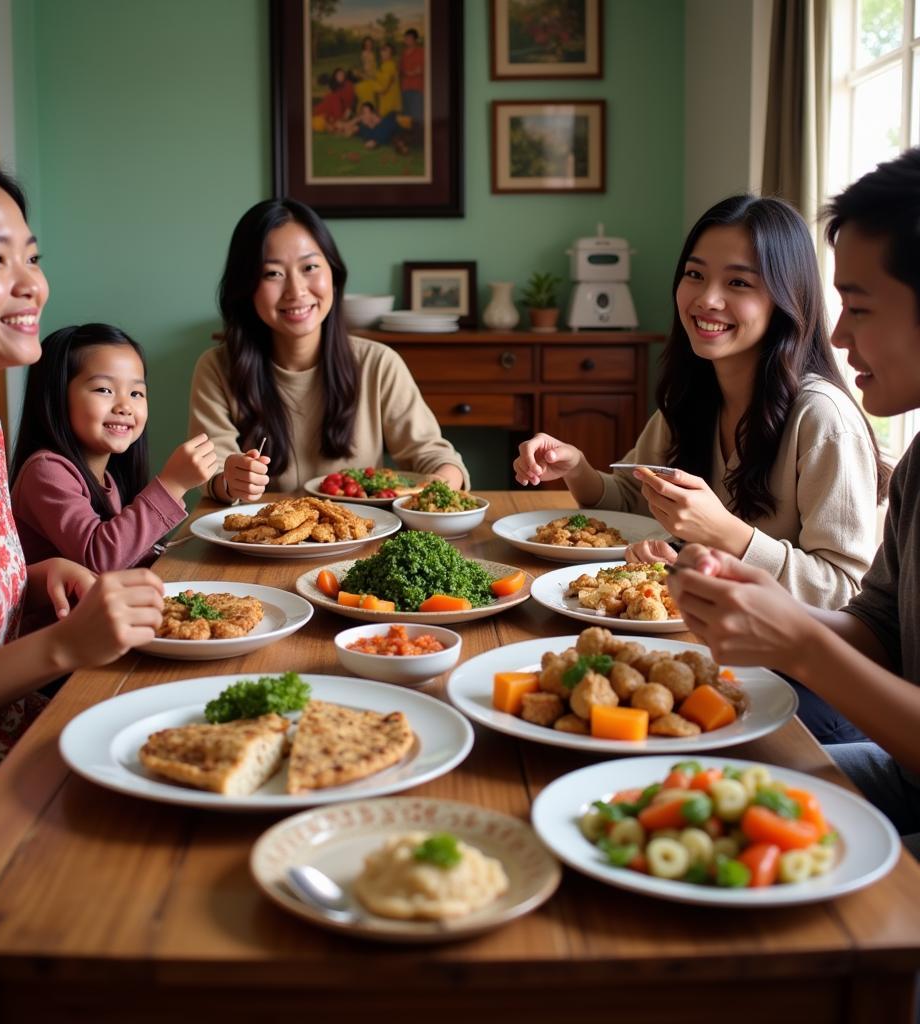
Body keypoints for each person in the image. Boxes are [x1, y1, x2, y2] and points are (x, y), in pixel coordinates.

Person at [0, 152, 164, 885]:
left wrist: (39, 576)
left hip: (15, 738)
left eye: (32, 256)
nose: (32, 283)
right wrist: (63, 647)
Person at [667, 149, 920, 856]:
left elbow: (836, 602)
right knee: (665, 789)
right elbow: (875, 622)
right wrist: (767, 603)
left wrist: (799, 637)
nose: (836, 335)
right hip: (904, 772)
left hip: (859, 726)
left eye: (860, 308)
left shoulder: (822, 414)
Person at [513, 194, 888, 611]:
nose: (707, 299)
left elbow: (844, 592)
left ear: (786, 298)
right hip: (700, 630)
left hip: (784, 664)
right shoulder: (693, 394)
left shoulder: (823, 419)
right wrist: (577, 468)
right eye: (695, 274)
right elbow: (634, 502)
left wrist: (725, 534)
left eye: (739, 282)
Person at [188, 197, 467, 503]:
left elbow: (432, 454)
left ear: (333, 274)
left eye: (309, 267)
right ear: (246, 286)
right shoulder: (217, 368)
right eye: (272, 274)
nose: (296, 291)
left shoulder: (379, 364)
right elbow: (211, 470)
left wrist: (441, 481)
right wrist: (230, 480)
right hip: (259, 542)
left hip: (363, 537)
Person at [10, 322, 218, 573]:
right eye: (104, 389)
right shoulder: (45, 471)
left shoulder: (109, 478)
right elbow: (100, 560)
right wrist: (173, 484)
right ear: (56, 398)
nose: (125, 406)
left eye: (136, 393)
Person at [399, 28, 424, 125]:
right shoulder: (403, 53)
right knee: (406, 115)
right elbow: (401, 70)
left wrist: (411, 72)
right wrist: (410, 72)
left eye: (409, 38)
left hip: (417, 88)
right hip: (405, 88)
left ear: (415, 39)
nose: (407, 40)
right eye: (405, 38)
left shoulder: (421, 52)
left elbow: (421, 69)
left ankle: (418, 137)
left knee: (417, 115)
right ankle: (408, 137)